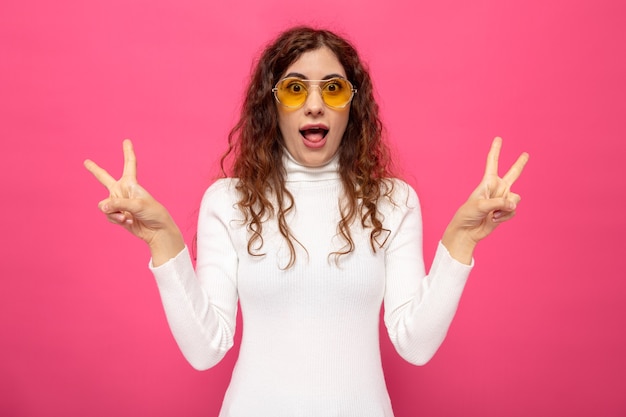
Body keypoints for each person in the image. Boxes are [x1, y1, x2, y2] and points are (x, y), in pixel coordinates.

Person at [84, 26, 528, 417]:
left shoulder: (393, 202)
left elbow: (415, 344)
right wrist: (162, 239)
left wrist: (462, 238)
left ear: (352, 105)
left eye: (332, 89)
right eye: (295, 89)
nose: (314, 105)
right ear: (271, 104)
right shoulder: (229, 201)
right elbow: (205, 349)